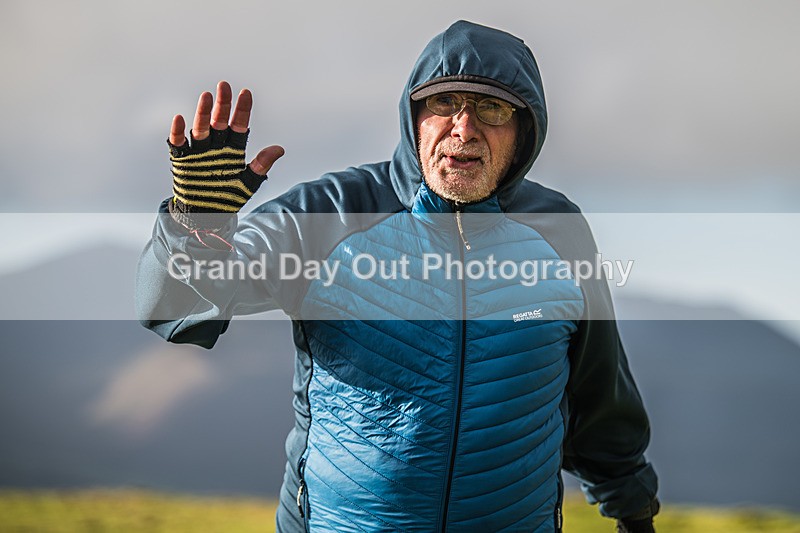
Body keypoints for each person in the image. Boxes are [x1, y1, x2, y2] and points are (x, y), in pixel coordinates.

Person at [137, 20, 659, 533]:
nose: (464, 127)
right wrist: (192, 223)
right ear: (413, 117)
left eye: (491, 107)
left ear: (525, 131)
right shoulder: (332, 213)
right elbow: (178, 310)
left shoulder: (560, 232)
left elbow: (599, 389)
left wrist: (633, 511)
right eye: (442, 103)